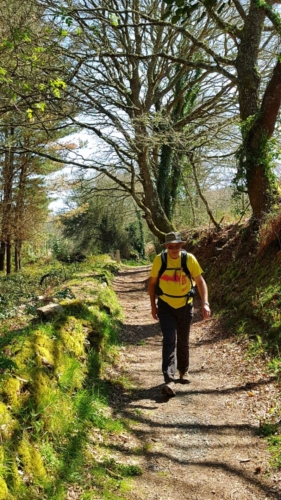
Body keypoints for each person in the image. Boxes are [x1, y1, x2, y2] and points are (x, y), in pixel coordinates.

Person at [148, 231, 211, 397]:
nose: (174, 249)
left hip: (185, 305)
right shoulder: (159, 260)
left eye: (177, 246)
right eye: (171, 246)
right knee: (169, 340)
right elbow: (152, 283)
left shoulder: (189, 259)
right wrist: (153, 306)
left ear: (181, 246)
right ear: (166, 247)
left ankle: (183, 371)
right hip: (165, 306)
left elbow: (200, 281)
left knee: (183, 340)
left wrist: (205, 303)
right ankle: (169, 378)